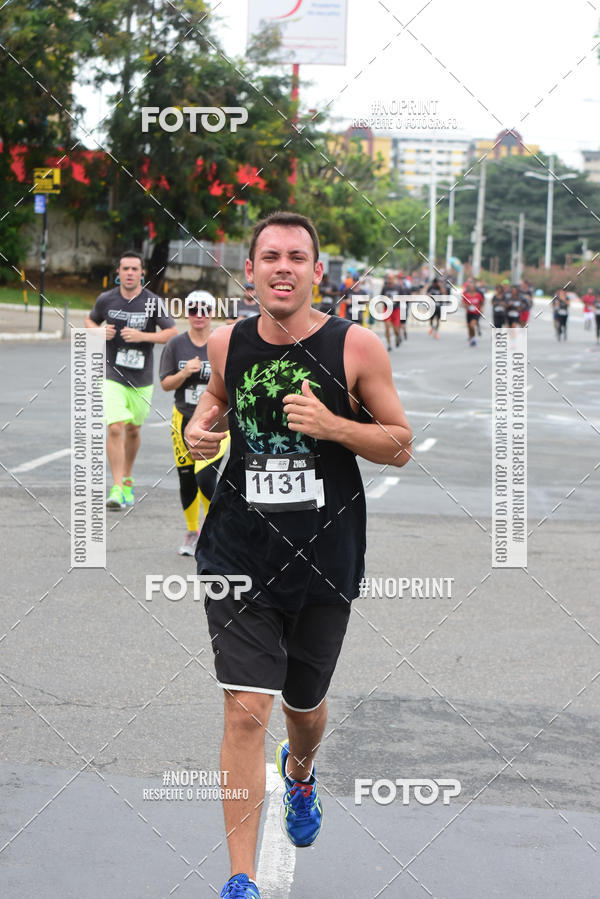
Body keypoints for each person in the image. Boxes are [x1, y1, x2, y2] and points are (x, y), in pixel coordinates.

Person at [184, 211, 412, 899]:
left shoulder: (357, 347)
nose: (283, 266)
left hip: (324, 559)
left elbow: (399, 442)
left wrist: (335, 425)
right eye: (270, 255)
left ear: (317, 270)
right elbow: (218, 400)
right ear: (250, 269)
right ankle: (240, 878)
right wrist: (201, 423)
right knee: (244, 708)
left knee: (303, 706)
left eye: (297, 256)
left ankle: (302, 774)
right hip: (236, 555)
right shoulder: (227, 343)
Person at [85, 251, 177, 510]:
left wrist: (142, 337)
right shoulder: (107, 299)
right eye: (125, 268)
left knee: (133, 429)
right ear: (118, 272)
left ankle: (127, 478)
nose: (129, 273)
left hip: (142, 378)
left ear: (142, 273)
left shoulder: (152, 302)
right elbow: (89, 320)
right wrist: (99, 331)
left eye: (134, 269)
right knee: (115, 426)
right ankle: (115, 486)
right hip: (112, 374)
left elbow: (171, 332)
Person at [159, 291, 230, 555]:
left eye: (204, 310)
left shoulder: (222, 342)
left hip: (216, 423)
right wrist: (184, 373)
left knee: (206, 478)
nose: (198, 315)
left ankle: (214, 531)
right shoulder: (176, 345)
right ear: (187, 313)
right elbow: (166, 384)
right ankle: (192, 532)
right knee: (187, 478)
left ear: (212, 313)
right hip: (182, 418)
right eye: (193, 310)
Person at [462, 279, 484, 345]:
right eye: (470, 287)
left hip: (476, 313)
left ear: (474, 288)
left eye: (472, 287)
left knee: (472, 325)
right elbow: (463, 303)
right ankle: (471, 337)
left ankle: (473, 338)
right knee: (469, 327)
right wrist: (466, 305)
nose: (471, 289)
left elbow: (482, 303)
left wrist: (481, 308)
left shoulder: (478, 295)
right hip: (469, 313)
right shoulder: (466, 295)